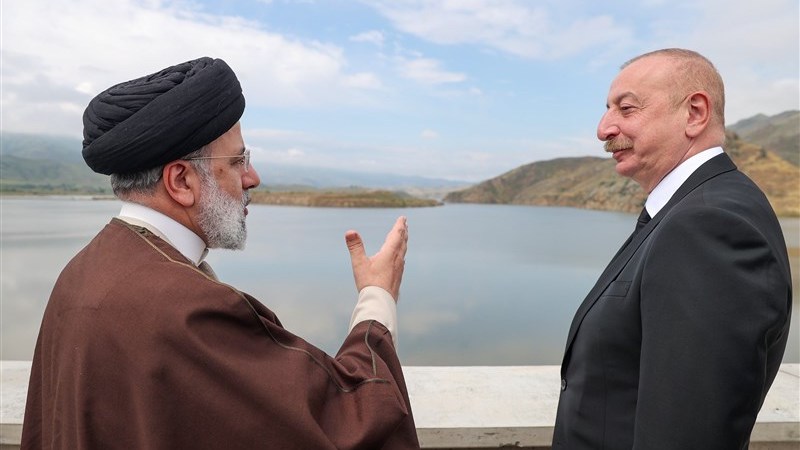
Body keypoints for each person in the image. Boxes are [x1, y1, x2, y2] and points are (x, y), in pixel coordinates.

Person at [21, 57, 420, 450]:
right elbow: (346, 423)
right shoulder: (189, 312)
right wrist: (377, 296)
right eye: (238, 160)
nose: (253, 178)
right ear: (181, 180)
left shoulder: (79, 273)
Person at [552, 48, 792, 449]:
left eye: (626, 109)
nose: (603, 128)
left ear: (695, 113)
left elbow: (689, 432)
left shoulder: (708, 225)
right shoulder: (695, 209)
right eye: (607, 109)